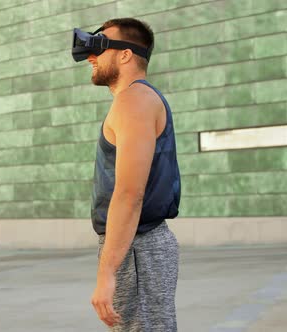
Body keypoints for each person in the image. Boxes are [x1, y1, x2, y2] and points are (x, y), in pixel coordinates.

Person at [72, 18, 182, 331]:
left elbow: (129, 193)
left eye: (99, 47)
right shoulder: (136, 100)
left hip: (138, 248)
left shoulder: (134, 100)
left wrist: (107, 273)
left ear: (125, 55)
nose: (91, 57)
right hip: (136, 246)